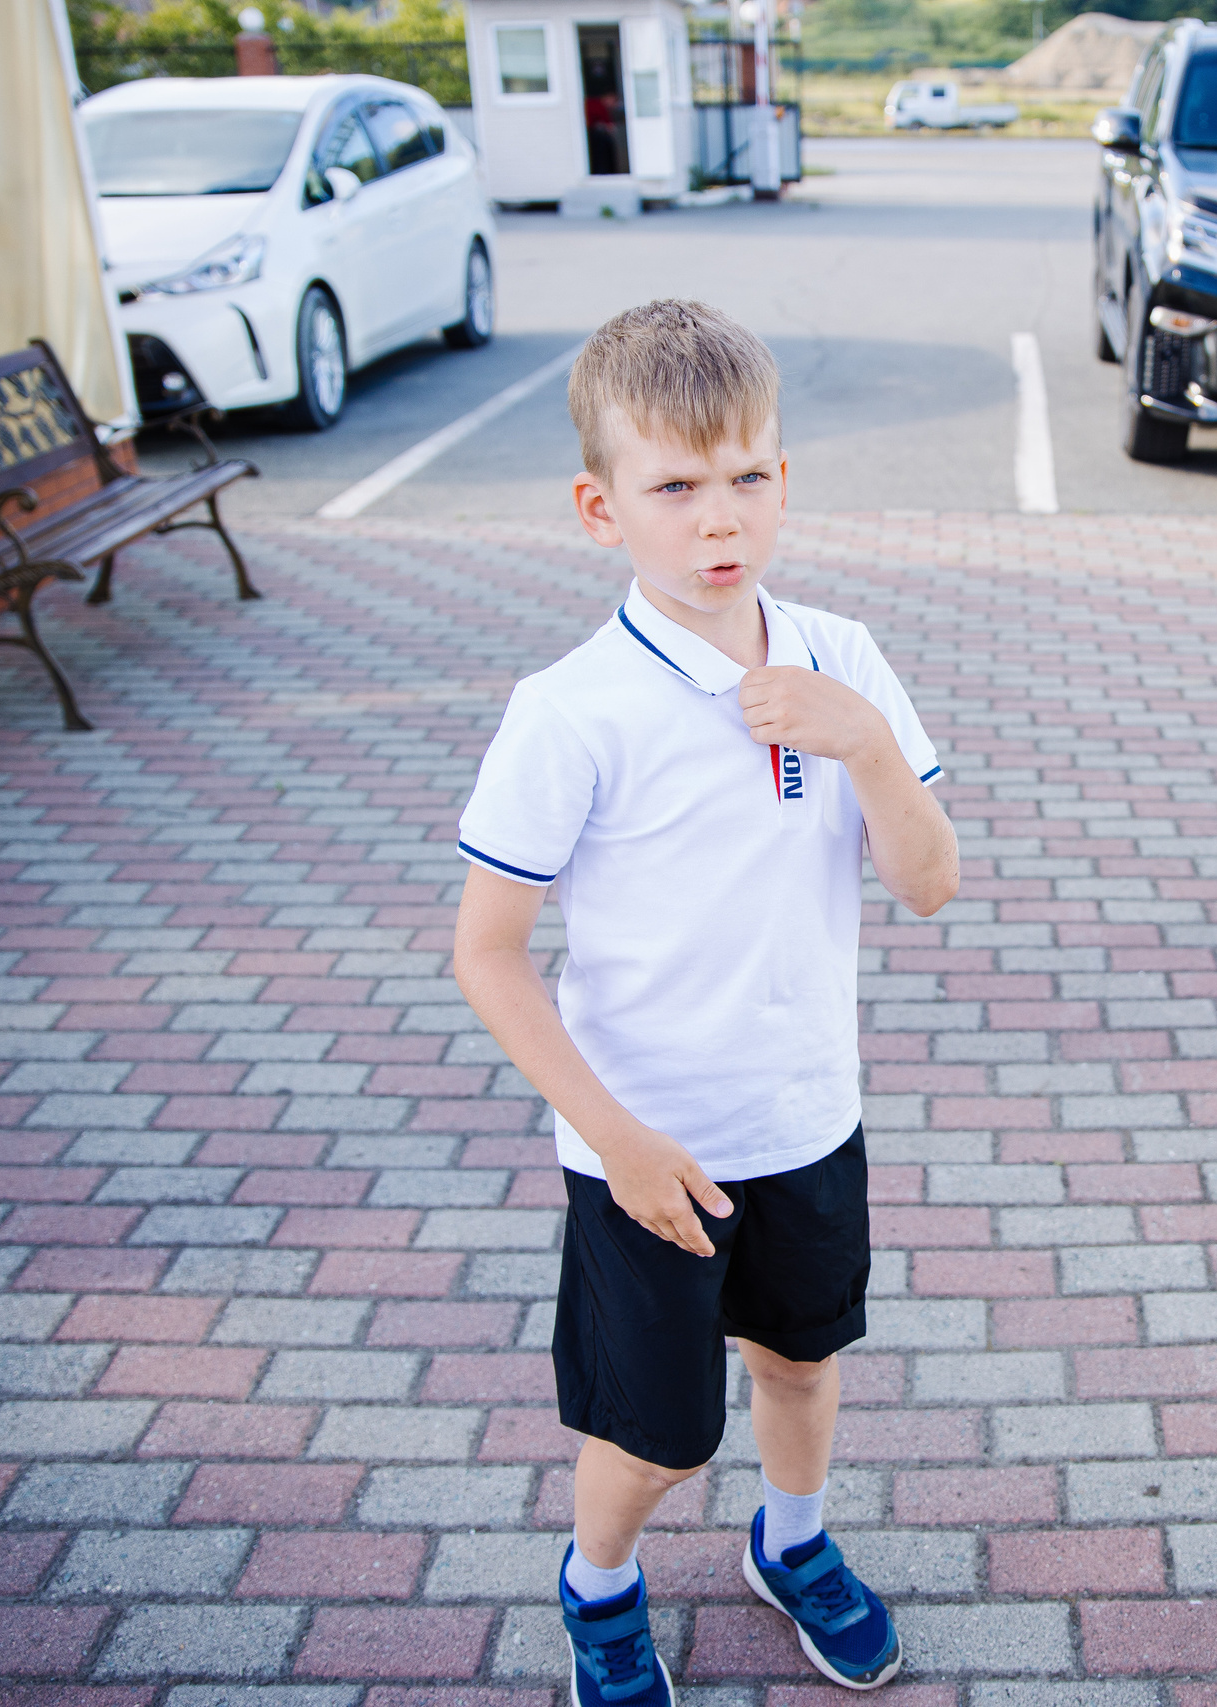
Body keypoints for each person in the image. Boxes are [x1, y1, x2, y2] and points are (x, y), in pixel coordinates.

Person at [450, 301, 958, 1705]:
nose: (716, 518)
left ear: (785, 477)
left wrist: (862, 745)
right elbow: (486, 951)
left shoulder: (842, 654)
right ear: (600, 506)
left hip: (804, 1111)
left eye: (746, 476)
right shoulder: (571, 708)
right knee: (659, 1430)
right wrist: (614, 1133)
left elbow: (928, 882)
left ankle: (791, 1541)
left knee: (801, 1361)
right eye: (674, 486)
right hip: (644, 1146)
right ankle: (599, 1586)